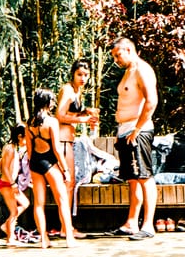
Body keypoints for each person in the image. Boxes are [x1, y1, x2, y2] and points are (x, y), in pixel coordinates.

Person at [110, 36, 159, 240]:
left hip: (138, 131)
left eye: (118, 55)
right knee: (132, 179)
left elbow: (151, 101)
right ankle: (131, 222)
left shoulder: (142, 69)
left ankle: (148, 225)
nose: (116, 60)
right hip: (125, 130)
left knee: (144, 176)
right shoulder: (129, 72)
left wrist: (137, 130)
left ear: (129, 50)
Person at [25, 89, 77, 248]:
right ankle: (69, 237)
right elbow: (56, 149)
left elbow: (29, 150)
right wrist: (66, 170)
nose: (54, 103)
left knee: (39, 203)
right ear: (47, 103)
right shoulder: (52, 122)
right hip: (49, 162)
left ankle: (44, 240)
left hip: (35, 163)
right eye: (52, 101)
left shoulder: (29, 123)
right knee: (62, 200)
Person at [55, 60, 99, 220]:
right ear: (73, 73)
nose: (83, 78)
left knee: (69, 183)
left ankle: (65, 227)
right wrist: (85, 120)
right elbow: (59, 115)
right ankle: (65, 228)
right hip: (62, 140)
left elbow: (70, 114)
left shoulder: (76, 91)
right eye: (79, 74)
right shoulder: (67, 90)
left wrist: (85, 113)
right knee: (68, 183)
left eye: (86, 75)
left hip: (68, 139)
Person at [0, 123, 31, 247]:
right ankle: (9, 238)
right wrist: (12, 183)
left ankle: (7, 226)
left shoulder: (12, 148)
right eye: (26, 138)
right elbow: (4, 167)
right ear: (20, 136)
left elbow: (0, 164)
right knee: (14, 211)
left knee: (25, 203)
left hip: (8, 183)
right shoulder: (10, 148)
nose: (27, 141)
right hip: (7, 184)